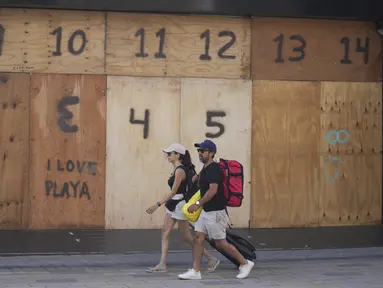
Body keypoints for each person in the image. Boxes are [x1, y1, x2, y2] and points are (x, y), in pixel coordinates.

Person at [178, 140, 254, 280]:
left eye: (203, 151)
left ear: (211, 153)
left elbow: (213, 191)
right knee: (198, 238)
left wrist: (198, 203)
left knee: (220, 243)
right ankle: (195, 271)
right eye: (199, 151)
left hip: (216, 212)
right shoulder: (206, 168)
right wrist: (198, 176)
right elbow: (205, 177)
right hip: (206, 211)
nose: (200, 153)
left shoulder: (214, 169)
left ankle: (245, 263)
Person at [146, 143, 220, 273]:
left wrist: (157, 205)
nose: (167, 156)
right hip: (173, 204)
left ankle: (211, 258)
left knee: (186, 237)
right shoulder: (179, 169)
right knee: (165, 232)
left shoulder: (180, 170)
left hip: (179, 205)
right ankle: (162, 263)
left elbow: (173, 192)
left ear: (178, 155)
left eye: (170, 153)